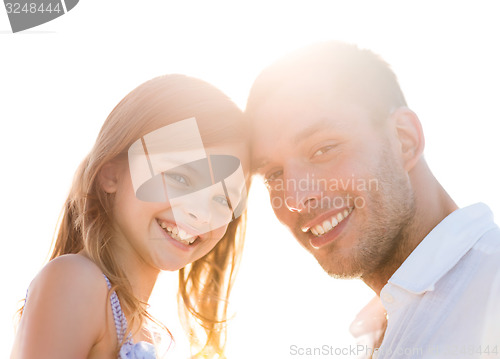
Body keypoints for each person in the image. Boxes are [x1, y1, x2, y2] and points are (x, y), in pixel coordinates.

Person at [246, 41, 500, 358]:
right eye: (273, 175)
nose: (295, 198)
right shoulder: (379, 331)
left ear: (404, 140)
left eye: (323, 149)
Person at [11, 75, 249, 359]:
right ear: (112, 174)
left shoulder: (145, 329)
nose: (200, 212)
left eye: (223, 199)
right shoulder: (76, 281)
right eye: (180, 178)